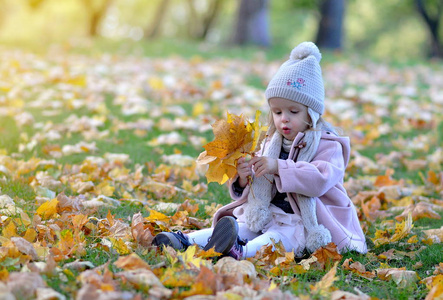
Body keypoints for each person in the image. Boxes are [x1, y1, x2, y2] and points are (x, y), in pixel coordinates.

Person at [152, 41, 367, 260]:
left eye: (293, 111)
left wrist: (278, 167)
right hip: (269, 213)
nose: (284, 118)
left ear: (311, 113)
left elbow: (319, 180)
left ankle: (240, 252)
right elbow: (258, 186)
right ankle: (185, 240)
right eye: (277, 111)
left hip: (302, 222)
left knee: (275, 238)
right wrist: (244, 178)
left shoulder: (328, 145)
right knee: (244, 227)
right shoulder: (271, 142)